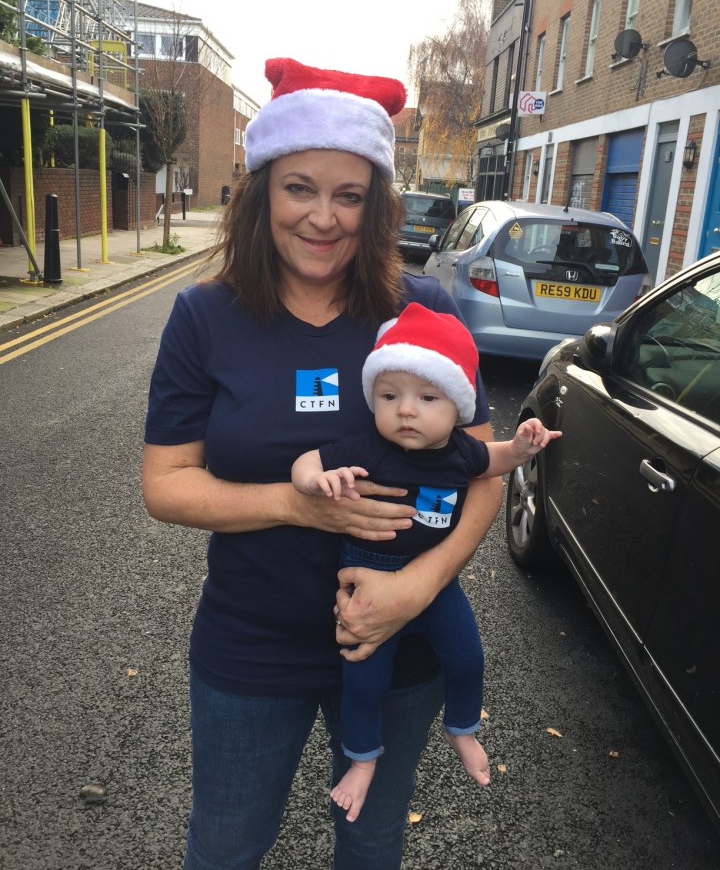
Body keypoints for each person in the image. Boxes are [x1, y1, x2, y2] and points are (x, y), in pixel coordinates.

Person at [142, 56, 504, 870]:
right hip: (250, 643)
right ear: (263, 188)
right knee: (227, 845)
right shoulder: (205, 317)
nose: (323, 218)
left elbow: (483, 465)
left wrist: (417, 587)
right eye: (300, 188)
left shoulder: (426, 309)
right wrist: (299, 505)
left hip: (400, 643)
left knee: (372, 844)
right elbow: (165, 484)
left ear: (375, 205)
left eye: (349, 196)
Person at [292, 302, 561, 822]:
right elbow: (308, 459)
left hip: (436, 588)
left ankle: (462, 728)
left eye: (427, 397)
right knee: (364, 683)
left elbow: (497, 459)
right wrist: (314, 482)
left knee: (467, 658)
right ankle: (363, 761)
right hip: (367, 585)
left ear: (458, 406)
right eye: (389, 396)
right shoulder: (365, 446)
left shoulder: (462, 451)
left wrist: (525, 447)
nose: (406, 410)